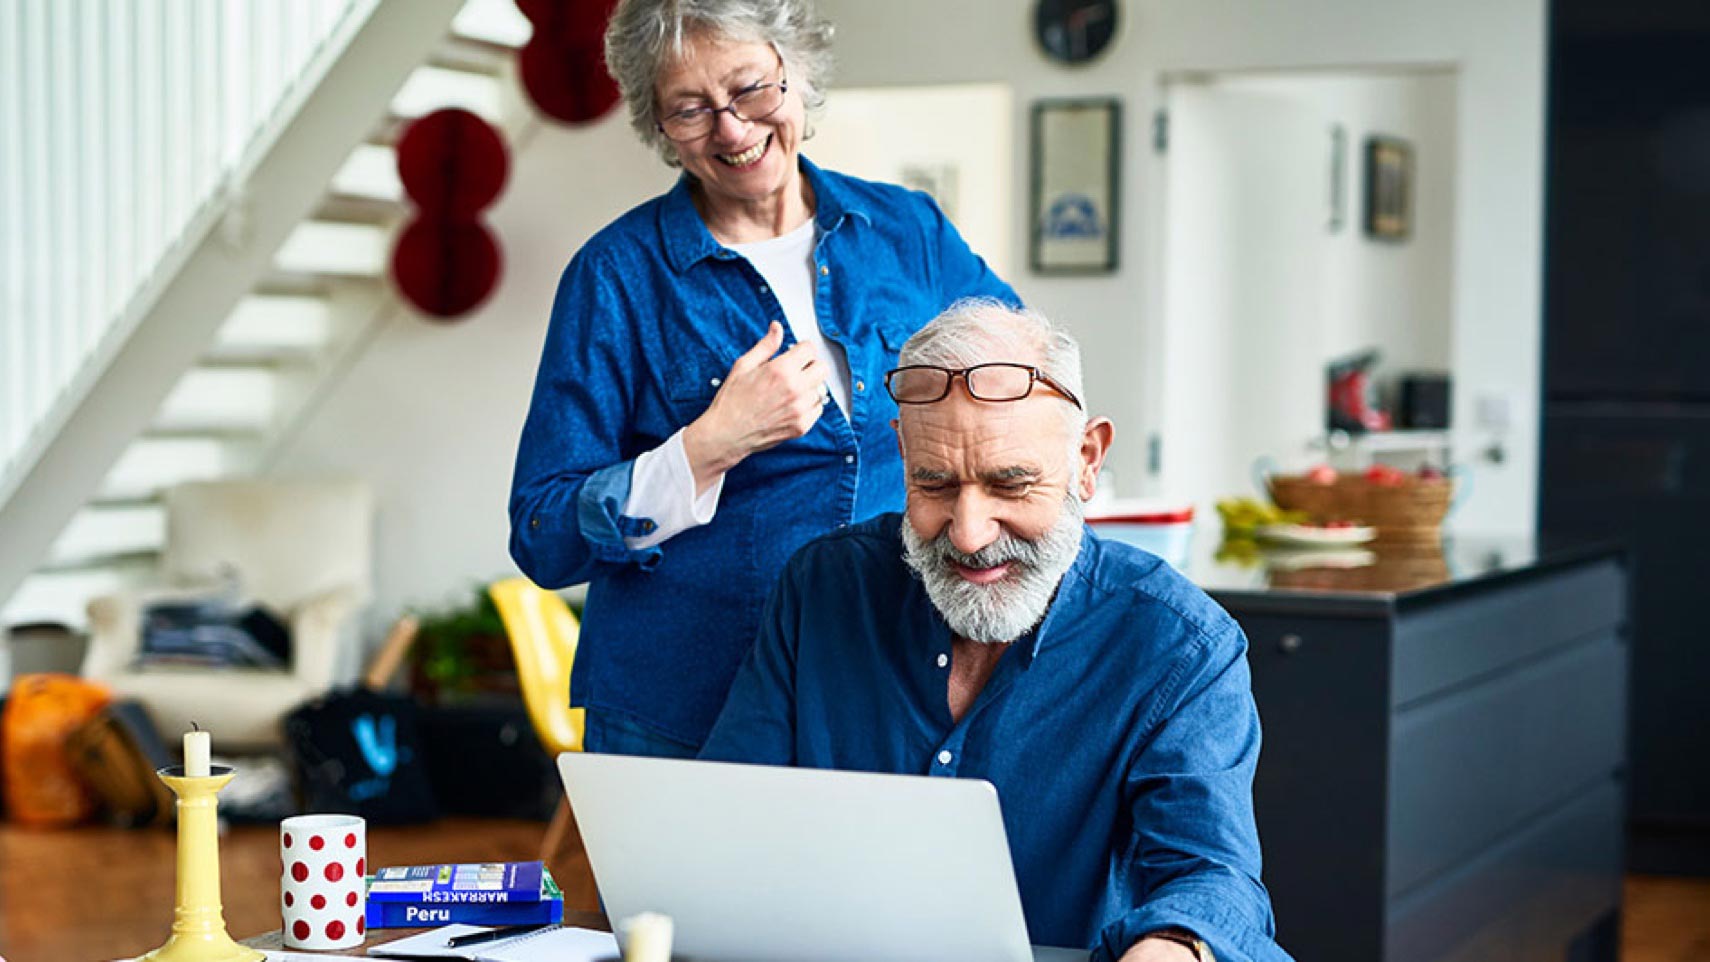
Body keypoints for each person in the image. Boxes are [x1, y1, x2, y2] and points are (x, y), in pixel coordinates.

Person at [700, 299, 1293, 962]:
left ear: (1087, 459)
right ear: (903, 453)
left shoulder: (1181, 646)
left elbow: (1213, 880)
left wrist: (1177, 947)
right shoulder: (822, 588)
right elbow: (729, 820)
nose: (968, 532)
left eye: (1010, 486)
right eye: (935, 484)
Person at [508, 0, 1016, 758]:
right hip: (683, 709)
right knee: (680, 887)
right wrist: (707, 446)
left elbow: (1024, 383)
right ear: (659, 126)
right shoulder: (614, 276)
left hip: (890, 695)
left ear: (797, 73)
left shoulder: (909, 232)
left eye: (750, 90)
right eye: (690, 110)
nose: (733, 130)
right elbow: (542, 533)